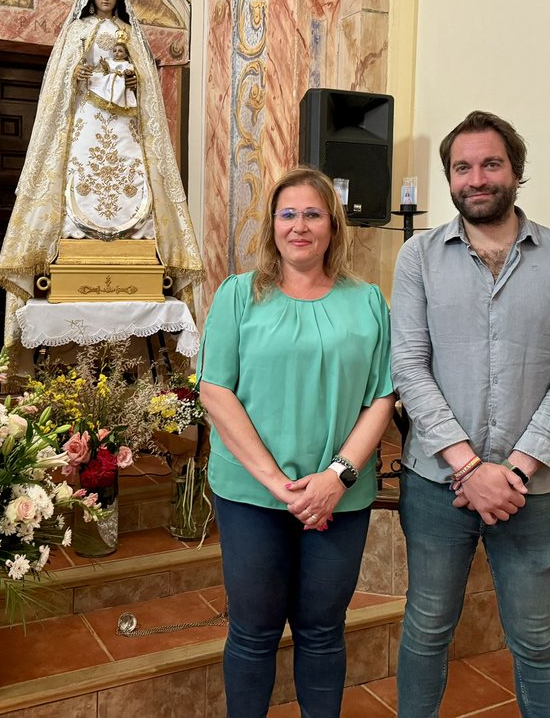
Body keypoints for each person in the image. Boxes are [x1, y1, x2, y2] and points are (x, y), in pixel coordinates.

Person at [390, 111, 550, 718]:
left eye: (490, 164)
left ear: (515, 171)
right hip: (436, 482)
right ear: (449, 179)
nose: (476, 178)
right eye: (462, 167)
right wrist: (468, 467)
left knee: (535, 640)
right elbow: (409, 367)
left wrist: (515, 470)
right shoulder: (418, 257)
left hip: (530, 488)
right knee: (427, 628)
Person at [198, 166, 396, 717]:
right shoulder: (240, 296)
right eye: (288, 214)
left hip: (340, 496)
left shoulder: (369, 303)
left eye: (313, 214)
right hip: (253, 498)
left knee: (323, 631)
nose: (300, 226)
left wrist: (336, 477)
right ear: (272, 226)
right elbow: (215, 391)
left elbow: (381, 396)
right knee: (254, 633)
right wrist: (280, 486)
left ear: (333, 225)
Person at [0, 0, 202, 329]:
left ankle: (134, 237)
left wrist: (136, 78)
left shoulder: (130, 32)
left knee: (130, 170)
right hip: (89, 114)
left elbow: (146, 81)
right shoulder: (77, 30)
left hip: (125, 117)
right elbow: (63, 77)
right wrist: (74, 77)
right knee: (83, 167)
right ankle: (79, 235)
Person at [88, 32, 137, 111]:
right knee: (101, 91)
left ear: (126, 55)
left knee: (120, 97)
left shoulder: (126, 63)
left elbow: (131, 70)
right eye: (114, 51)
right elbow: (107, 71)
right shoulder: (110, 61)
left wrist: (129, 72)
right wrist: (104, 65)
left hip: (121, 83)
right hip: (108, 82)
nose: (116, 52)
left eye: (120, 51)